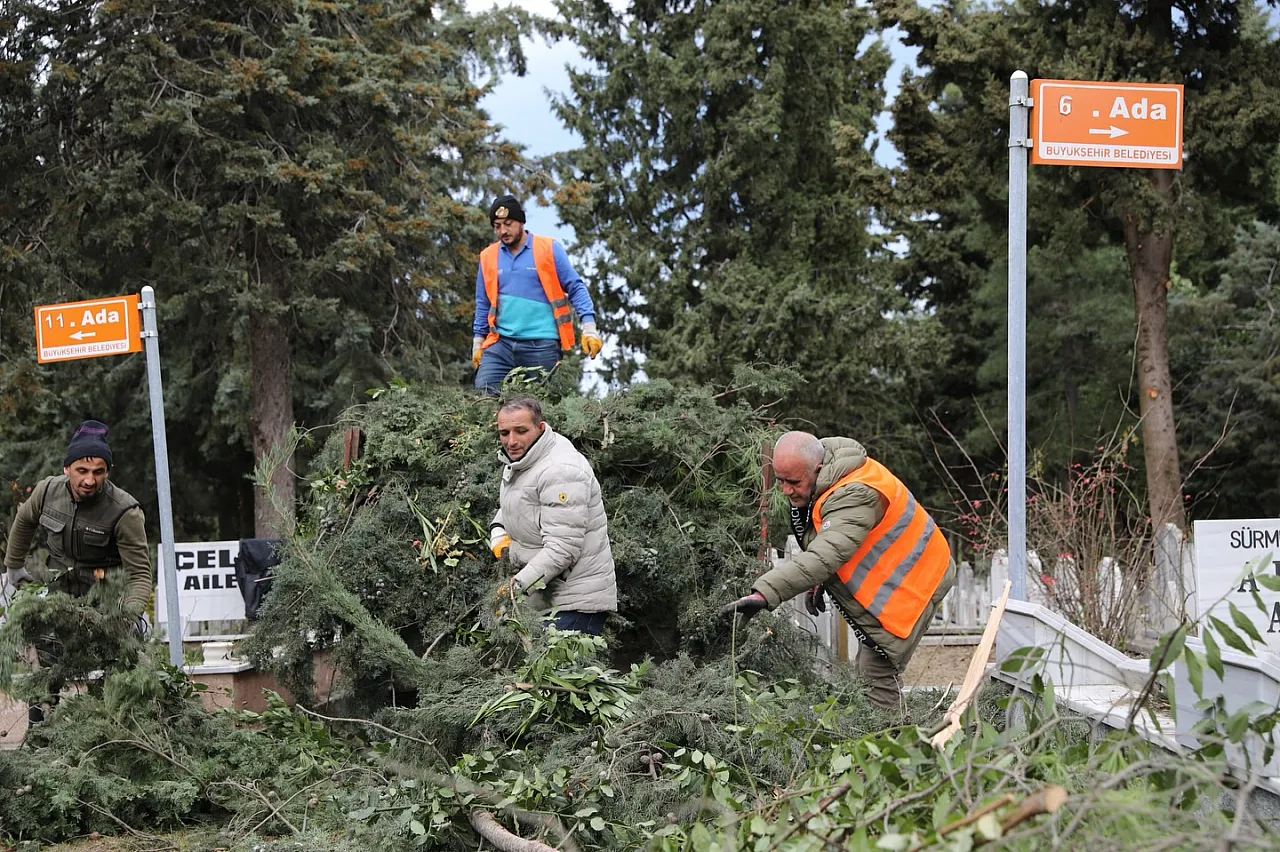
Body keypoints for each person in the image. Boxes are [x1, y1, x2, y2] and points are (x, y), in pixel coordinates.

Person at [719, 431, 956, 710]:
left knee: (875, 674)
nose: (785, 490)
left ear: (817, 469)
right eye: (781, 481)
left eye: (793, 482)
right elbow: (829, 538)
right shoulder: (827, 478)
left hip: (916, 581)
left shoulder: (855, 493)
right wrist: (821, 581)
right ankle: (887, 739)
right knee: (869, 672)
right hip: (899, 575)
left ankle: (889, 744)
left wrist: (765, 593)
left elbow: (828, 553)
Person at [4, 420, 152, 721]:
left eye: (99, 471)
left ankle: (123, 724)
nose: (90, 479)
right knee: (43, 650)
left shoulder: (125, 511)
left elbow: (139, 576)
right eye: (82, 471)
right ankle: (43, 727)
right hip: (63, 592)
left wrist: (128, 615)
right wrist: (14, 567)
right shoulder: (47, 492)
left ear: (107, 472)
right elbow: (24, 520)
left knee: (123, 662)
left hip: (109, 596)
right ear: (66, 469)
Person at [489, 396, 617, 634]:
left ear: (540, 427)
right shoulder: (526, 460)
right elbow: (520, 500)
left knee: (561, 671)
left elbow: (563, 549)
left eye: (520, 431)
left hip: (573, 603)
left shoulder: (560, 471)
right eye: (504, 433)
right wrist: (498, 531)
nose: (512, 441)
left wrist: (515, 587)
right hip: (545, 598)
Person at [471, 195, 603, 393]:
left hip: (541, 345)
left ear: (521, 222)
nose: (503, 231)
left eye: (508, 224)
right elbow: (483, 302)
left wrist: (589, 328)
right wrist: (478, 342)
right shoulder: (488, 256)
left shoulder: (548, 249)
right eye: (497, 226)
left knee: (542, 403)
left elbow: (575, 287)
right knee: (484, 392)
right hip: (500, 344)